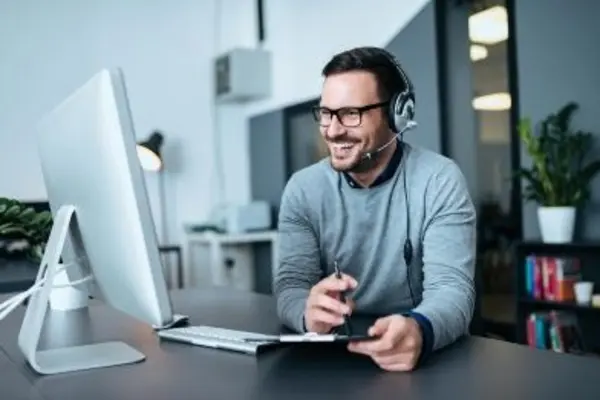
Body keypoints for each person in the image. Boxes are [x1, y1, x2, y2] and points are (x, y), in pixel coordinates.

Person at [273, 46, 476, 372]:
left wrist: (420, 329)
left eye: (351, 113)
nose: (333, 130)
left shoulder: (439, 179)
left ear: (398, 115)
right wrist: (306, 313)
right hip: (333, 360)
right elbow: (291, 286)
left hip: (423, 355)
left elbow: (453, 290)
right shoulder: (303, 188)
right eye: (326, 113)